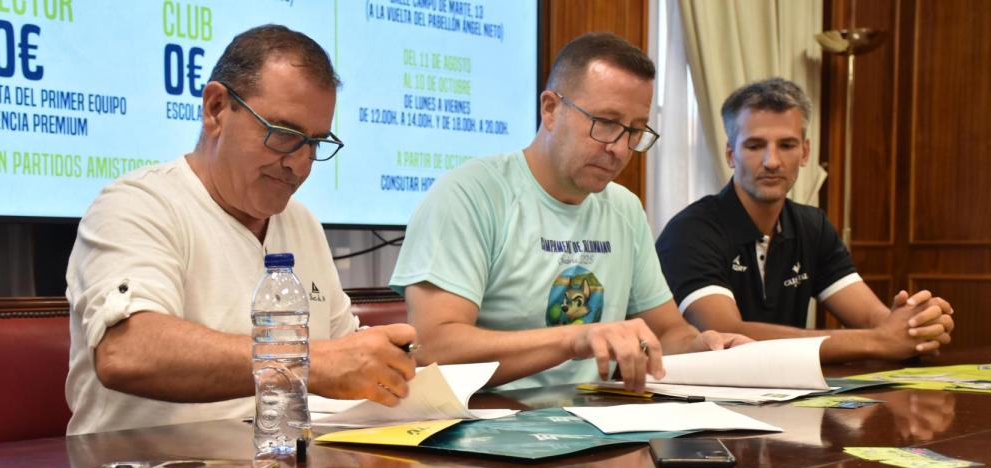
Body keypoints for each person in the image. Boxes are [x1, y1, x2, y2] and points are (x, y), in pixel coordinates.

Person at [65, 25, 415, 435]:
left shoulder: (301, 223)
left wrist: (390, 362)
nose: (299, 164)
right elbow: (128, 351)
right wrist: (312, 362)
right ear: (215, 108)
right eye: (283, 135)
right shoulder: (137, 205)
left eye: (315, 143)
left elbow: (340, 353)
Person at [389, 32, 747, 392]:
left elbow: (668, 331)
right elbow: (432, 348)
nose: (620, 149)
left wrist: (704, 347)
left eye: (635, 131)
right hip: (487, 425)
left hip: (600, 420)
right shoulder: (470, 194)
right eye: (606, 123)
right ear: (550, 109)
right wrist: (573, 339)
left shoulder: (623, 208)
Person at [656, 78, 954, 363]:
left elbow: (875, 320)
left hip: (790, 399)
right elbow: (729, 335)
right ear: (731, 154)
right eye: (755, 145)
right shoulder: (690, 230)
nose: (772, 161)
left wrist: (917, 326)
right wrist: (881, 342)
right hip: (704, 404)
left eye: (786, 145)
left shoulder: (813, 225)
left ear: (805, 152)